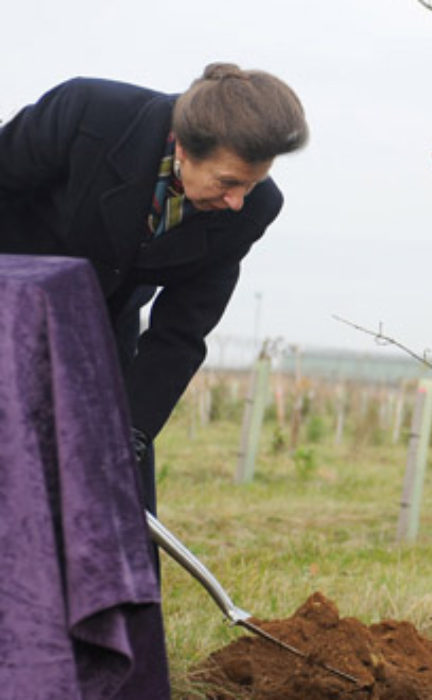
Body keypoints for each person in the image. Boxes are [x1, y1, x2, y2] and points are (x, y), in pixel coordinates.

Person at [0, 63, 308, 515]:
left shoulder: (254, 208)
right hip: (12, 282)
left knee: (116, 476)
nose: (237, 200)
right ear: (183, 146)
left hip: (100, 317)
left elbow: (181, 330)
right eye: (228, 182)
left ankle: (115, 586)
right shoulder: (88, 114)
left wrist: (130, 432)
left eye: (251, 183)